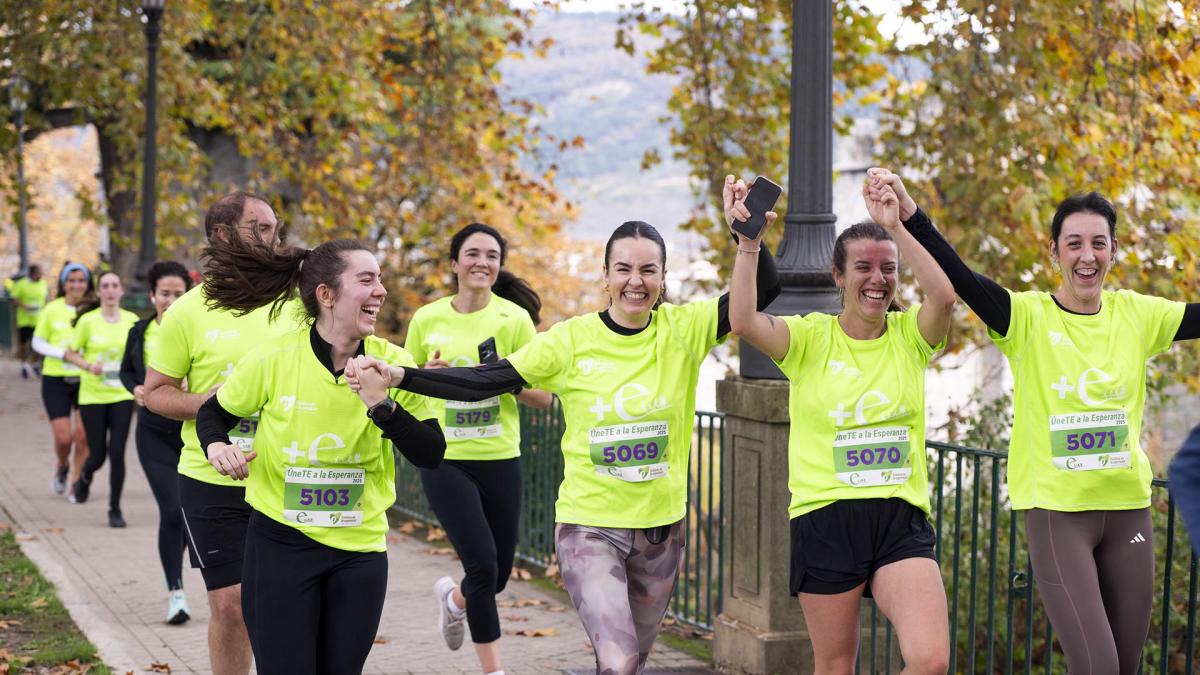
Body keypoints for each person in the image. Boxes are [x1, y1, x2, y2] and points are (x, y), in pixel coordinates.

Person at [349, 187, 781, 675]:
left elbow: (762, 292)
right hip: (589, 527)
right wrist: (403, 376)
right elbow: (483, 381)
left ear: (663, 278)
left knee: (628, 663)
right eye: (623, 269)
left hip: (661, 530)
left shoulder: (685, 328)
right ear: (605, 276)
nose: (635, 282)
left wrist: (747, 236)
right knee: (618, 662)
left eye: (648, 270)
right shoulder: (571, 341)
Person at [870, 168, 1200, 674]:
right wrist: (909, 216)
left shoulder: (1138, 315)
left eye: (1098, 243)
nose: (1086, 256)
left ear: (1113, 250)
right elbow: (960, 278)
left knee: (1125, 667)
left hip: (1129, 513)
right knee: (1099, 668)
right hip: (1057, 515)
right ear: (1054, 253)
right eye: (1073, 244)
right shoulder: (1026, 318)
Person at [729, 177, 954, 673]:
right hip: (825, 516)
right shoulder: (809, 338)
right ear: (837, 275)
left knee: (931, 659)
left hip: (899, 519)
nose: (878, 279)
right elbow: (743, 320)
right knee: (835, 665)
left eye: (888, 268)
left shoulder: (910, 336)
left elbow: (943, 296)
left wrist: (900, 224)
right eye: (864, 267)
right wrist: (748, 244)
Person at [194, 237, 445, 675]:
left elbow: (431, 453)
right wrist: (218, 447)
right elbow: (213, 414)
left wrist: (382, 406)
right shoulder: (275, 358)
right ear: (326, 295)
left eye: (380, 279)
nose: (381, 291)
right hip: (280, 544)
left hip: (359, 551)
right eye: (366, 280)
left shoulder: (393, 365)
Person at [143, 192, 305, 675]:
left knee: (278, 601)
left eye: (274, 227)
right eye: (258, 227)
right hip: (211, 478)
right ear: (222, 235)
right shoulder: (187, 312)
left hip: (284, 474)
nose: (271, 236)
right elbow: (156, 394)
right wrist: (209, 404)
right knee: (231, 604)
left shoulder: (295, 303)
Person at [404, 223, 554, 673]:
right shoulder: (427, 319)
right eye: (472, 253)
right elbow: (403, 387)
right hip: (444, 457)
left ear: (499, 266)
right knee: (484, 567)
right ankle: (495, 670)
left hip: (499, 457)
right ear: (454, 263)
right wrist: (426, 373)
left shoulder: (514, 319)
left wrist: (501, 376)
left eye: (491, 255)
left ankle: (453, 600)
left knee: (497, 576)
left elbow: (543, 396)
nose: (482, 262)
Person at [119, 261, 192, 623]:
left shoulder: (198, 332)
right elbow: (126, 371)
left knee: (189, 514)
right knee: (172, 512)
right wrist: (134, 387)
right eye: (165, 293)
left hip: (192, 435)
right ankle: (176, 593)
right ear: (152, 296)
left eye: (179, 293)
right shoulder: (140, 331)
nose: (172, 299)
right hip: (153, 433)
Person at [64, 272, 139, 528]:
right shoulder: (87, 321)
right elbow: (69, 353)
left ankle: (114, 508)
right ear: (98, 293)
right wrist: (87, 365)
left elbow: (140, 356)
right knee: (98, 455)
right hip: (93, 396)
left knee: (117, 453)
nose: (110, 290)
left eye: (114, 286)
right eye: (105, 286)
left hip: (121, 395)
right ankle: (84, 476)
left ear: (121, 291)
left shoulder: (131, 321)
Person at [32, 263, 93, 494]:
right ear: (64, 283)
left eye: (81, 280)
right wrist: (63, 354)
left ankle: (76, 481)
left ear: (87, 284)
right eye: (72, 280)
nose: (76, 285)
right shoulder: (52, 309)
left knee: (83, 435)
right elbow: (38, 342)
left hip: (85, 380)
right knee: (64, 438)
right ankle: (63, 465)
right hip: (55, 379)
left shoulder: (91, 310)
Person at [11, 264, 49, 378]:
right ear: (32, 274)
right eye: (38, 273)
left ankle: (34, 364)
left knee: (39, 343)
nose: (41, 275)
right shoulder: (21, 284)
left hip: (39, 320)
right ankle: (23, 365)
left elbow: (46, 299)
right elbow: (13, 299)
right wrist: (25, 306)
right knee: (24, 345)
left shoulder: (43, 284)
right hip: (24, 320)